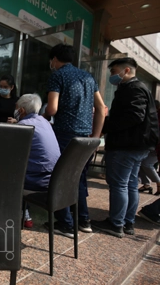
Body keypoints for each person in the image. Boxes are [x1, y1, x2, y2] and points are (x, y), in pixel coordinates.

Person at [43, 44, 105, 238]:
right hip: (85, 136)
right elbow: (102, 108)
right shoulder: (87, 77)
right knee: (79, 178)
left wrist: (42, 117)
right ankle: (83, 220)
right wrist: (95, 137)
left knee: (60, 176)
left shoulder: (57, 75)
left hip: (64, 135)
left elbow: (52, 109)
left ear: (54, 59)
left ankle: (65, 223)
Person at [92, 58, 159, 238]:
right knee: (130, 184)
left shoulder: (134, 89)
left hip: (127, 145)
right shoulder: (137, 88)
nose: (112, 76)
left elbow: (134, 116)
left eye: (114, 71)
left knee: (120, 184)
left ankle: (116, 223)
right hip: (137, 146)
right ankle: (127, 222)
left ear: (126, 70)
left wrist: (106, 126)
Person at [16, 94, 61, 228]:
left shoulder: (23, 126)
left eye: (17, 107)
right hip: (54, 180)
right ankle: (25, 214)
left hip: (37, 182)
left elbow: (13, 154)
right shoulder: (44, 121)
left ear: (22, 110)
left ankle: (10, 216)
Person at [138, 99, 160, 195]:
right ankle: (146, 184)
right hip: (150, 146)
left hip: (157, 147)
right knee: (140, 162)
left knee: (146, 163)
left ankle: (158, 183)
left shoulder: (156, 117)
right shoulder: (152, 116)